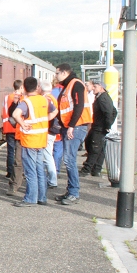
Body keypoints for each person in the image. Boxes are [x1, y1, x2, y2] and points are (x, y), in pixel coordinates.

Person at [12, 77, 57, 207]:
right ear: (37, 87)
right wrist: (44, 121)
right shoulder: (44, 100)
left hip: (30, 140)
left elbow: (15, 114)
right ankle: (42, 197)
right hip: (41, 139)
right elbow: (55, 111)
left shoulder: (26, 102)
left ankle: (30, 199)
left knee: (31, 171)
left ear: (24, 88)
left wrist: (23, 123)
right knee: (40, 170)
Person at [54, 63, 92, 205]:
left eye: (57, 73)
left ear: (64, 73)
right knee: (68, 160)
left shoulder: (76, 84)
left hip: (76, 127)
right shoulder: (69, 85)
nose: (56, 76)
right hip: (70, 127)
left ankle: (74, 192)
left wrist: (71, 126)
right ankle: (70, 191)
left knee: (69, 160)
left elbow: (79, 106)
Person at [80, 81, 117, 177]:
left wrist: (107, 126)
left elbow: (109, 112)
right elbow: (113, 111)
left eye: (95, 87)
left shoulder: (103, 98)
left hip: (99, 127)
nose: (93, 88)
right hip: (98, 126)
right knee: (97, 147)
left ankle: (87, 169)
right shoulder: (102, 97)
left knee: (94, 147)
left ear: (101, 87)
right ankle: (96, 169)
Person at [40, 79, 60, 189]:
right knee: (48, 155)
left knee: (47, 156)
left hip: (48, 130)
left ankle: (52, 180)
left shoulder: (46, 99)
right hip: (52, 130)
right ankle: (51, 179)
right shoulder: (53, 98)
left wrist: (42, 121)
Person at [2, 80, 22, 183]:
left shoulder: (7, 97)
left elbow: (4, 111)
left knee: (10, 150)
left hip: (8, 126)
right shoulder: (22, 97)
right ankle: (17, 172)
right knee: (19, 152)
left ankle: (9, 171)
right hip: (19, 127)